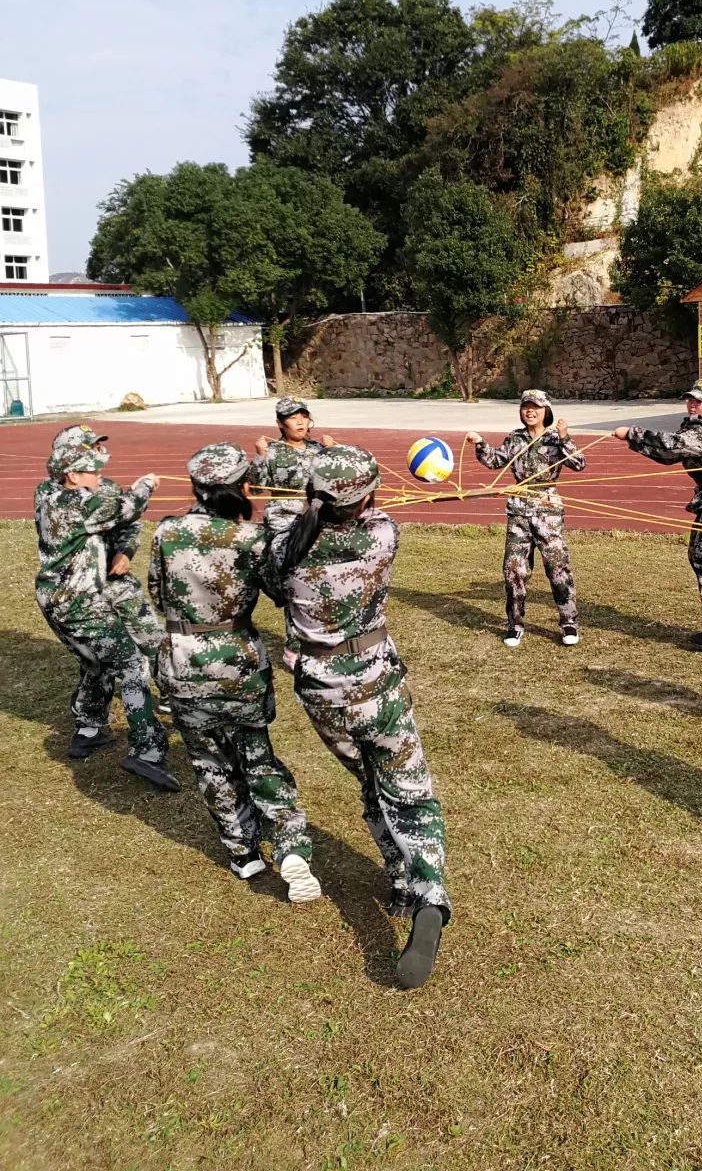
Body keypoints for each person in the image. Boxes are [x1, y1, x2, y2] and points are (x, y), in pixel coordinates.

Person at [264, 444, 451, 989]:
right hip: (376, 685)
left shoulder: (284, 547)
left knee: (371, 782)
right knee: (409, 791)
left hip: (322, 693)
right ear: (366, 496)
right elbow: (374, 511)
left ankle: (398, 879)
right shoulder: (382, 535)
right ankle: (428, 897)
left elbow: (277, 567)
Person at [148, 443, 321, 899]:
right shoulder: (251, 539)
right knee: (257, 755)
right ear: (245, 486)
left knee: (210, 762)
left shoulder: (167, 532)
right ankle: (290, 845)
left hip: (181, 659)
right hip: (237, 661)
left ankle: (243, 853)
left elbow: (155, 589)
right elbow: (281, 592)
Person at [34, 427, 178, 790]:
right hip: (82, 603)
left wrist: (124, 552)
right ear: (71, 474)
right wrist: (145, 485)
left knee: (99, 663)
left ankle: (93, 728)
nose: (99, 473)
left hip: (57, 601)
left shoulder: (46, 491)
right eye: (91, 468)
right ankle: (147, 750)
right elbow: (127, 507)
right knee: (132, 664)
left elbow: (122, 521)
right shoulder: (79, 503)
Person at [613, 379, 702, 649]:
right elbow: (668, 455)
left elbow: (673, 446)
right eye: (690, 398)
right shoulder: (696, 425)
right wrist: (636, 442)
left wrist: (633, 434)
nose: (692, 403)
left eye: (698, 400)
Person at [466, 390, 585, 648]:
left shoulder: (555, 438)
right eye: (525, 407)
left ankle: (568, 623)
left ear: (546, 411)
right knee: (514, 571)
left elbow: (578, 463)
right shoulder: (515, 438)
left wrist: (565, 437)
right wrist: (479, 442)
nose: (530, 411)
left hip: (548, 510)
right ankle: (515, 625)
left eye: (536, 407)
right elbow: (496, 460)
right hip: (519, 510)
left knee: (557, 568)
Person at [251, 396, 338, 492]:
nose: (300, 422)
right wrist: (260, 456)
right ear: (280, 423)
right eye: (293, 418)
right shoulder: (270, 451)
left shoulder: (319, 449)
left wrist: (333, 451)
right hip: (282, 506)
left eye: (305, 417)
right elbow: (254, 489)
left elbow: (337, 481)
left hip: (316, 504)